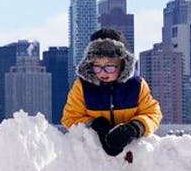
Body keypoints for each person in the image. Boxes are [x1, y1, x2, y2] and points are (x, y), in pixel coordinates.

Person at [62, 28, 162, 156]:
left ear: (123, 65)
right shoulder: (82, 87)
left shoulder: (136, 86)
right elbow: (70, 117)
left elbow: (152, 113)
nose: (103, 72)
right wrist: (95, 125)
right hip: (94, 156)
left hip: (133, 155)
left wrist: (134, 128)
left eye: (109, 67)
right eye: (97, 66)